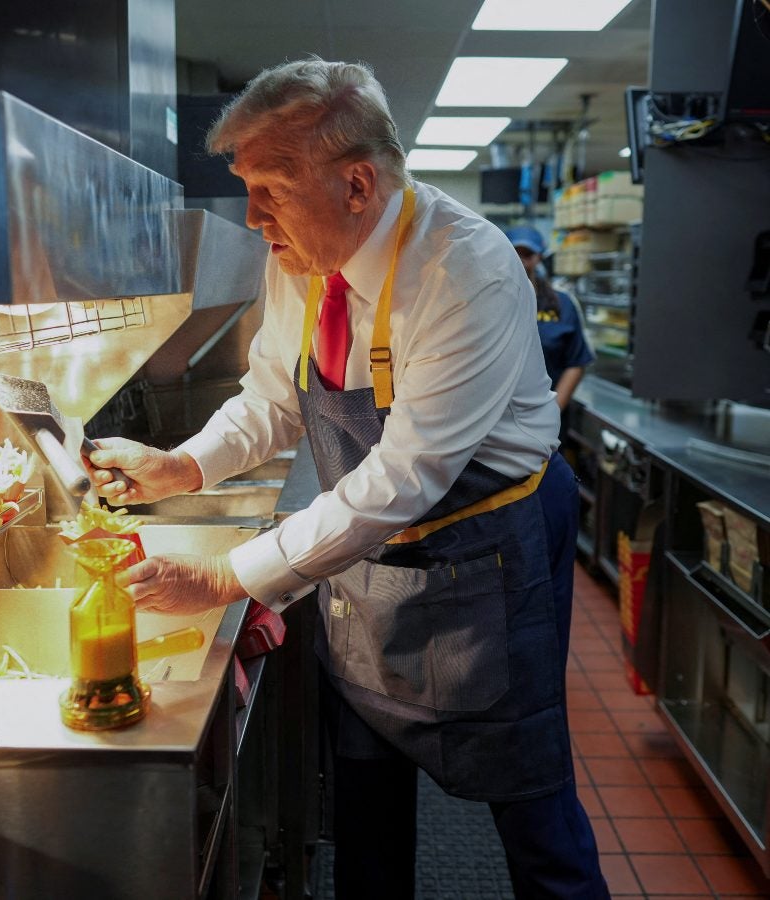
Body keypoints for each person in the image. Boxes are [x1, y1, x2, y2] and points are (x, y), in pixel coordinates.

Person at [87, 58, 610, 899]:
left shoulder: (462, 269)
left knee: (529, 800)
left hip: (487, 554)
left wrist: (228, 576)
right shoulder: (299, 257)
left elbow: (408, 473)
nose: (253, 217)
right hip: (365, 554)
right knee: (367, 798)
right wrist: (183, 464)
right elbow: (272, 397)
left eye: (272, 188)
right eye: (247, 188)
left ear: (358, 184)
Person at [506, 225, 595, 412]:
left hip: (546, 416)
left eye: (527, 254)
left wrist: (551, 414)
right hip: (498, 419)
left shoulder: (562, 304)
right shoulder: (491, 301)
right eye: (515, 254)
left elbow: (576, 362)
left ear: (539, 257)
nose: (521, 262)